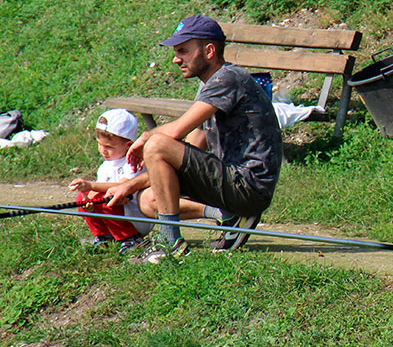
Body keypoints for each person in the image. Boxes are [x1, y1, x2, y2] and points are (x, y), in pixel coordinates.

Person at [109, 15, 283, 264]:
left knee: (157, 143)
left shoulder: (227, 79)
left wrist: (147, 136)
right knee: (149, 200)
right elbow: (187, 150)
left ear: (209, 50)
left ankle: (170, 243)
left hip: (248, 186)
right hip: (231, 183)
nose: (175, 58)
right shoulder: (210, 86)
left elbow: (176, 132)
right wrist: (132, 185)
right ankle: (227, 216)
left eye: (183, 51)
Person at [68, 109, 152, 254]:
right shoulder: (105, 166)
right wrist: (88, 201)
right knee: (83, 199)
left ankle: (131, 238)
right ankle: (104, 236)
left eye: (108, 147)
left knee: (108, 198)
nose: (102, 150)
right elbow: (95, 191)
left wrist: (91, 185)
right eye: (99, 144)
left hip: (135, 216)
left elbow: (123, 186)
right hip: (115, 216)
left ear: (128, 145)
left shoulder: (133, 163)